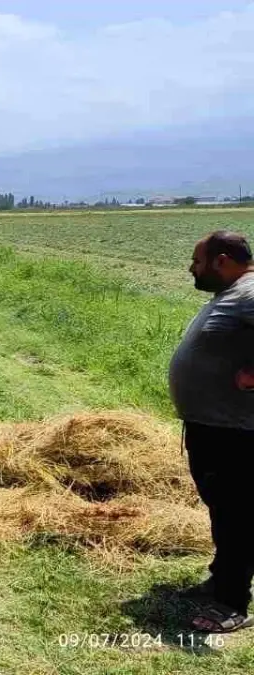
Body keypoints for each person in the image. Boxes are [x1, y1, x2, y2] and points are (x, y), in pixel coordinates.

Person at [170, 230, 254, 634]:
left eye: (197, 261)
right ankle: (223, 579)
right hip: (214, 427)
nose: (192, 267)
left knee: (237, 513)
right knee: (224, 509)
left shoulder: (250, 292)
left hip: (236, 433)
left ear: (222, 260)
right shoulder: (234, 295)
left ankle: (232, 602)